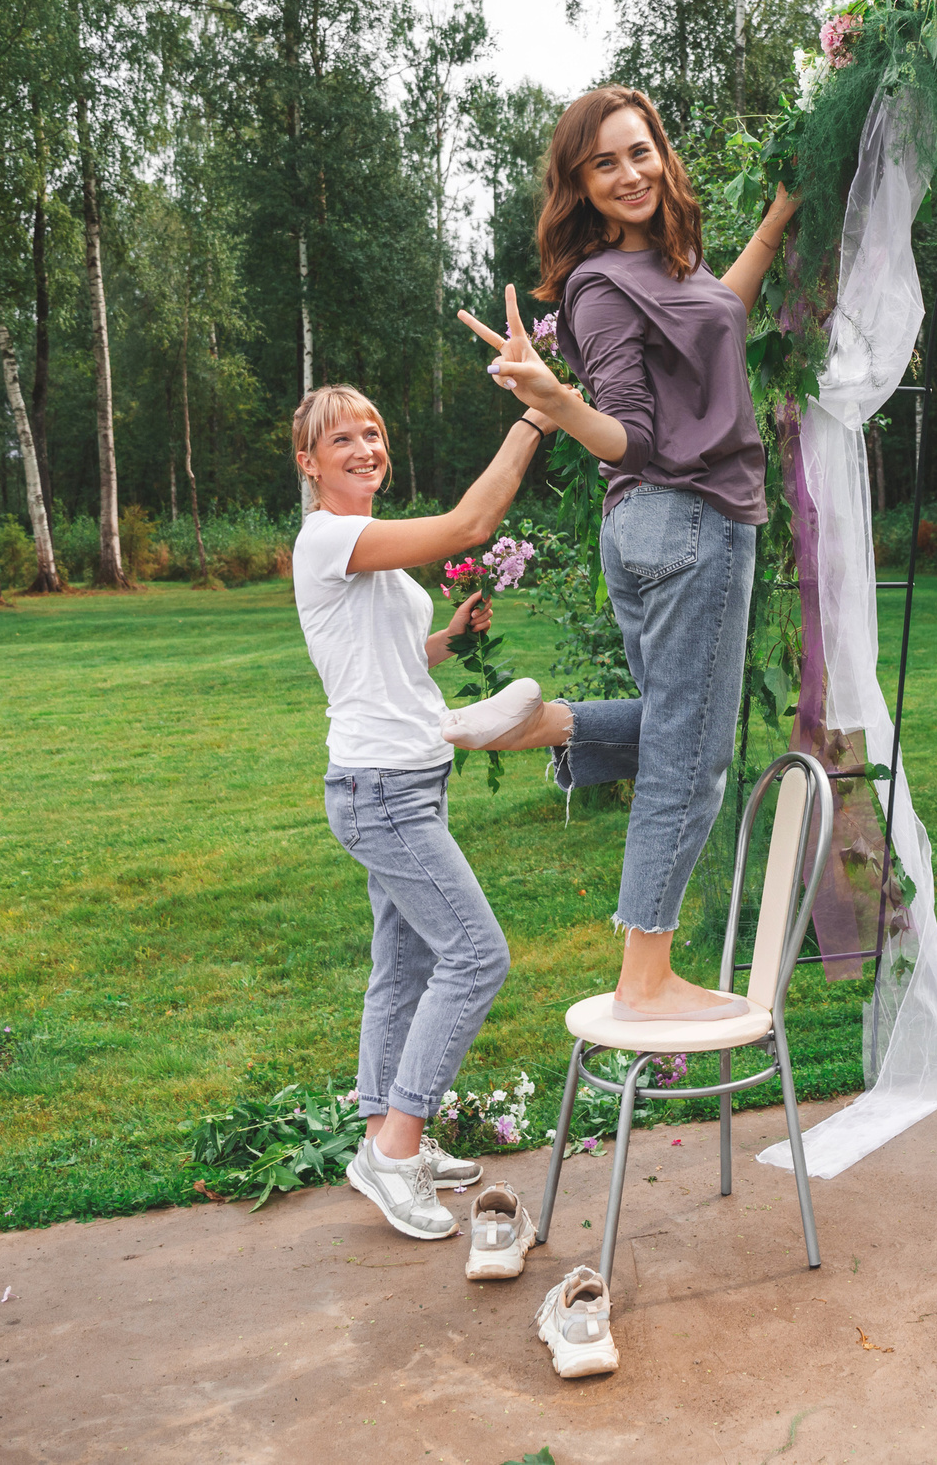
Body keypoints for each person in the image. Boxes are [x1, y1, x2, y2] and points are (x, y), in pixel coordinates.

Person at [458, 83, 798, 1023]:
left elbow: (721, 312)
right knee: (694, 756)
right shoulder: (601, 286)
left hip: (661, 526)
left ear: (663, 153)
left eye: (639, 151)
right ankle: (645, 977)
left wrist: (778, 215)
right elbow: (633, 438)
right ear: (579, 184)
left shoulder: (666, 269)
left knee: (676, 726)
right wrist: (559, 402)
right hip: (685, 516)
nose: (629, 173)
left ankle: (550, 724)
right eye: (603, 163)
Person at [290, 382, 553, 1240]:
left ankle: (383, 1134)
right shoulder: (331, 536)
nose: (366, 447)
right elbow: (471, 522)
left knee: (402, 969)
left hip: (402, 779)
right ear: (309, 463)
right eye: (343, 439)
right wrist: (536, 418)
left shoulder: (365, 549)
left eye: (374, 430)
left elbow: (388, 656)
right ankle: (395, 1150)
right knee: (477, 956)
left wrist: (448, 640)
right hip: (383, 790)